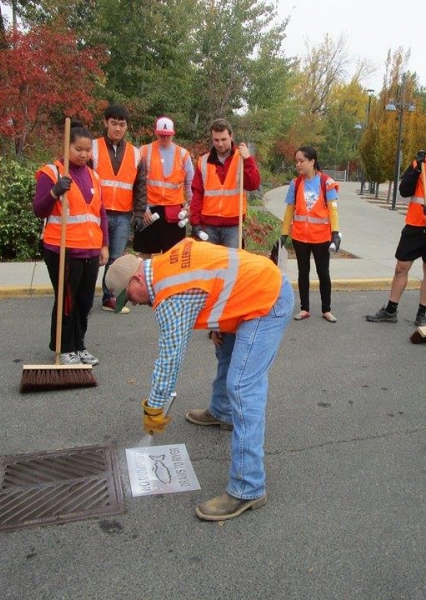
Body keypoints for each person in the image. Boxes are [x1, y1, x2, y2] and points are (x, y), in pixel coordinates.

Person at [104, 239, 293, 521]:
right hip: (251, 290)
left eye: (127, 296)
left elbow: (170, 360)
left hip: (267, 301)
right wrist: (219, 322)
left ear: (136, 278)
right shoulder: (165, 262)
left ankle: (248, 487)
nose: (131, 302)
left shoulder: (170, 295)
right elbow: (213, 275)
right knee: (224, 350)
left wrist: (155, 408)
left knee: (242, 386)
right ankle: (223, 412)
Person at [365, 130, 426, 326]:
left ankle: (422, 314)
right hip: (414, 225)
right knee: (401, 267)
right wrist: (416, 170)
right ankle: (391, 310)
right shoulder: (418, 165)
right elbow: (404, 191)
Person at [33, 122, 108, 365]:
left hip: (90, 248)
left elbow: (101, 214)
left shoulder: (94, 176)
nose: (84, 154)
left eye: (88, 150)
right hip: (62, 248)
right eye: (78, 149)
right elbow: (39, 210)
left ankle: (79, 344)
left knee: (85, 301)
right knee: (67, 300)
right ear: (66, 147)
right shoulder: (51, 173)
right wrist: (54, 192)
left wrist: (104, 245)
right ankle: (64, 347)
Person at [90, 105, 146, 313]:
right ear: (106, 123)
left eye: (122, 125)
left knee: (115, 259)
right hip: (96, 213)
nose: (117, 128)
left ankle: (109, 297)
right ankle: (84, 298)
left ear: (126, 127)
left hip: (123, 214)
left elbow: (140, 186)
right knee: (91, 257)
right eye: (113, 123)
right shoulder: (93, 148)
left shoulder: (135, 153)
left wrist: (139, 213)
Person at [280, 146, 341, 322]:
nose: (298, 164)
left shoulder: (326, 182)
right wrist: (284, 233)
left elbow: (333, 210)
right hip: (300, 237)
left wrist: (335, 233)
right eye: (296, 161)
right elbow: (289, 210)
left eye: (301, 161)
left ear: (312, 161)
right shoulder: (295, 183)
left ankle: (326, 309)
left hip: (321, 237)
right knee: (303, 272)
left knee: (323, 272)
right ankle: (304, 308)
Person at [189, 118, 261, 248]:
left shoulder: (242, 158)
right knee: (209, 266)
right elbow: (197, 194)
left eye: (223, 139)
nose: (220, 144)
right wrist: (195, 222)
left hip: (233, 226)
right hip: (208, 226)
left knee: (232, 267)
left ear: (231, 136)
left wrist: (248, 160)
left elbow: (253, 185)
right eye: (216, 140)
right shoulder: (203, 161)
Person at [133, 116, 193, 258]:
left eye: (168, 136)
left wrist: (190, 206)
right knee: (145, 253)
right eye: (162, 135)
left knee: (174, 255)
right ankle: (143, 280)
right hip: (150, 210)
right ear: (155, 133)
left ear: (173, 134)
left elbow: (190, 183)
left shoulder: (183, 154)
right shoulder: (144, 151)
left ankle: (169, 280)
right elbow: (136, 183)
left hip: (173, 213)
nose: (165, 139)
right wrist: (143, 208)